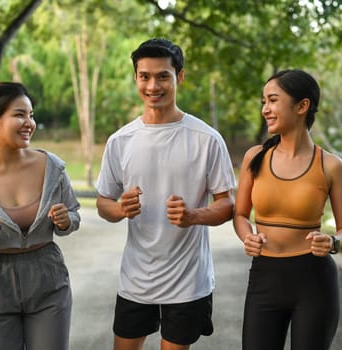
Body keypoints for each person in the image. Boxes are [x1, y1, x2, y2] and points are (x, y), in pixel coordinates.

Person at [95, 38, 236, 350]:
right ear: (136, 78)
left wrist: (193, 215)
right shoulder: (121, 140)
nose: (152, 85)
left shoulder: (206, 139)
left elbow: (228, 203)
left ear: (179, 77)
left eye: (163, 76)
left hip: (188, 281)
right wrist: (119, 210)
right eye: (144, 76)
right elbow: (103, 202)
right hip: (136, 278)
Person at [0, 82, 81, 350]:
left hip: (48, 277)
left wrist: (67, 221)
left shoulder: (52, 166)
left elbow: (74, 213)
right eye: (19, 115)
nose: (29, 123)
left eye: (31, 115)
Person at [233, 69, 342, 350]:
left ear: (302, 106)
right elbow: (240, 215)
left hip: (313, 281)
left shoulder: (331, 166)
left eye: (273, 100)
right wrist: (247, 237)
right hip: (264, 276)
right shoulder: (255, 157)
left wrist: (334, 242)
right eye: (263, 101)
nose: (265, 109)